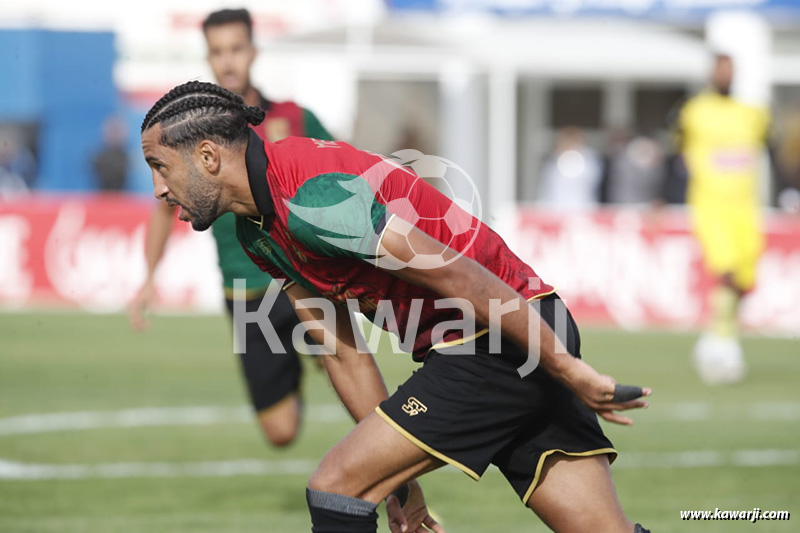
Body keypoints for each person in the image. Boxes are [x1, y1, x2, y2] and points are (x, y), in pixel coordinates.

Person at [140, 81, 652, 533]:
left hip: (498, 339)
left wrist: (566, 367)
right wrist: (400, 487)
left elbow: (456, 271)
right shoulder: (256, 233)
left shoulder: (311, 198)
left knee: (336, 486)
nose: (159, 189)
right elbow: (343, 354)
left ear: (208, 157)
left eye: (160, 167)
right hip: (514, 333)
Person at [129, 9, 333, 447]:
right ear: (207, 57)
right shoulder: (190, 135)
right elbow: (165, 208)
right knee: (281, 432)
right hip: (244, 291)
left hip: (302, 274)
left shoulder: (294, 118)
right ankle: (294, 365)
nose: (228, 61)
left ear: (253, 52)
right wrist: (148, 279)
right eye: (218, 51)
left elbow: (340, 179)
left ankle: (393, 481)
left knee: (344, 370)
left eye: (236, 49)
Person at [676, 54, 771, 385]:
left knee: (744, 282)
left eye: (730, 69)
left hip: (747, 208)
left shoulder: (753, 114)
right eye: (720, 69)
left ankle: (713, 337)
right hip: (711, 206)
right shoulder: (694, 112)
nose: (725, 75)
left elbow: (768, 152)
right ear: (711, 73)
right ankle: (724, 342)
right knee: (726, 272)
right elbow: (679, 153)